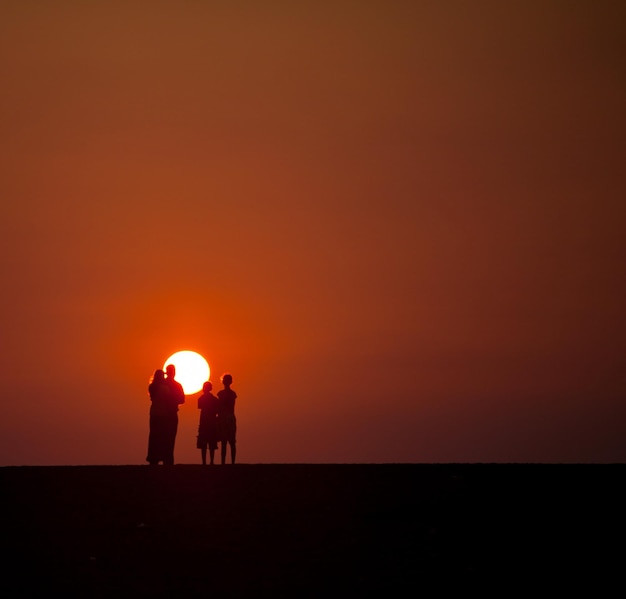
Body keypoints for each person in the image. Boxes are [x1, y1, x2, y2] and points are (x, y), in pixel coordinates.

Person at [146, 369, 172, 466]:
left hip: (154, 413)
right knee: (162, 436)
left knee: (153, 436)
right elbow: (169, 397)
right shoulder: (164, 388)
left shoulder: (151, 387)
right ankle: (161, 456)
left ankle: (153, 457)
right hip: (163, 414)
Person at [162, 363, 185, 465]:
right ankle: (168, 460)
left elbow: (182, 400)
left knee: (169, 437)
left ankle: (168, 460)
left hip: (169, 414)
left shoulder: (165, 384)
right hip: (166, 414)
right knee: (168, 438)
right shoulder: (175, 385)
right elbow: (182, 400)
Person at [197, 381, 220, 465]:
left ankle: (204, 462)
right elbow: (218, 411)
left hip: (204, 422)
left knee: (204, 444)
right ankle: (211, 461)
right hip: (212, 422)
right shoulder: (215, 399)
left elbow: (200, 407)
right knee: (211, 444)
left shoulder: (201, 399)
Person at [217, 373, 237, 464]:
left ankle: (226, 462)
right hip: (227, 417)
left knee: (229, 441)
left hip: (227, 417)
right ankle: (227, 462)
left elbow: (221, 406)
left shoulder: (225, 394)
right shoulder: (231, 394)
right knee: (227, 441)